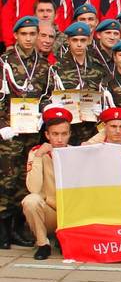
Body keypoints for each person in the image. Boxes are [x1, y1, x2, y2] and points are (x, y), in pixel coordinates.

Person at [0, 16, 53, 248]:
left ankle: (19, 227)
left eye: (33, 34)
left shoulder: (43, 65)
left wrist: (44, 113)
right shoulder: (4, 63)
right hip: (9, 132)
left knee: (25, 178)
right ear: (16, 36)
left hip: (31, 130)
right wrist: (2, 126)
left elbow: (48, 96)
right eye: (24, 34)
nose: (29, 39)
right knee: (5, 180)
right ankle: (2, 228)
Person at [22, 107, 73, 260]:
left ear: (70, 134)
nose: (59, 139)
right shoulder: (37, 153)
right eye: (55, 134)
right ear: (47, 135)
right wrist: (39, 156)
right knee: (31, 201)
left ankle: (68, 238)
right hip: (52, 212)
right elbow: (34, 188)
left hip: (72, 213)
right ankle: (43, 244)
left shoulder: (75, 153)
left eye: (64, 134)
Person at [49, 22, 106, 144]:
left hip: (93, 127)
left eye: (83, 40)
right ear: (68, 41)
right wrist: (54, 107)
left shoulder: (98, 66)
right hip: (67, 130)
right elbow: (48, 95)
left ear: (89, 40)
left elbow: (106, 94)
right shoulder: (58, 67)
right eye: (75, 40)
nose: (79, 44)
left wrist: (102, 107)